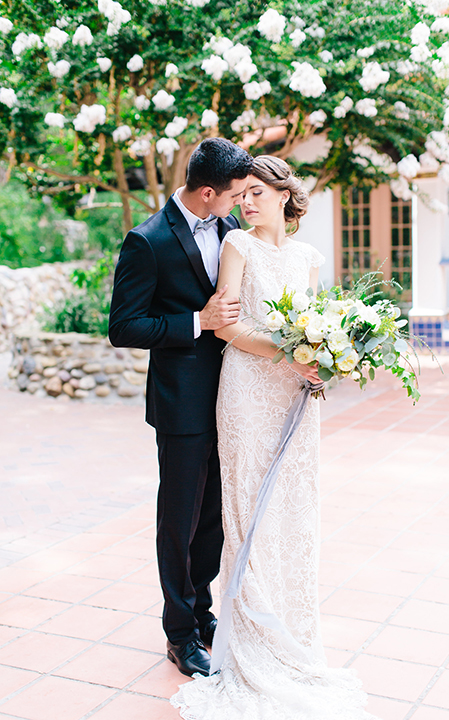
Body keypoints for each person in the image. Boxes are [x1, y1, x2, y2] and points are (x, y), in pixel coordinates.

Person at [171, 156, 378, 719]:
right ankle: (252, 645)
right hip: (246, 393)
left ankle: (291, 631)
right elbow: (229, 325)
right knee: (246, 510)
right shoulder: (238, 247)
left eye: (259, 192)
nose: (247, 202)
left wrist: (322, 359)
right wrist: (290, 349)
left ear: (286, 195)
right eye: (243, 194)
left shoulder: (309, 257)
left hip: (293, 394)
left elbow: (313, 320)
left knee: (292, 509)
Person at [108, 138, 253, 678]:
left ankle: (202, 612)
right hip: (181, 404)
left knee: (214, 518)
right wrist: (197, 322)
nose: (240, 203)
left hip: (233, 396)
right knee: (180, 520)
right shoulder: (146, 241)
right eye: (234, 193)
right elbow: (123, 327)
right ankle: (178, 634)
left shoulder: (229, 228)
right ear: (208, 190)